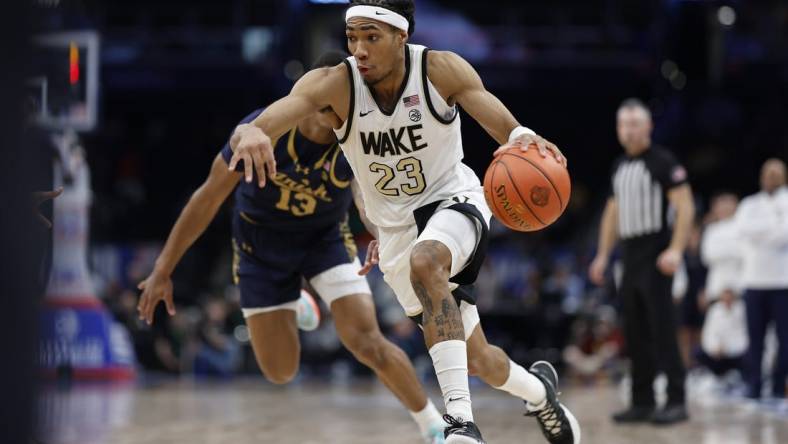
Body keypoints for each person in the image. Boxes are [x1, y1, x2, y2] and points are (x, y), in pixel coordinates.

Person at [228, 2, 581, 443]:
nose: (358, 49)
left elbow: (494, 116)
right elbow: (284, 109)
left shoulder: (439, 69)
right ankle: (540, 393)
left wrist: (522, 137)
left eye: (371, 37)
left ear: (401, 36)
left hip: (452, 201)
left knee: (427, 260)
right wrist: (253, 130)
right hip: (396, 232)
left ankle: (461, 427)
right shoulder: (336, 85)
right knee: (479, 359)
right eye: (352, 37)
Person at [136, 51, 448, 444]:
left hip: (325, 240)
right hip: (260, 246)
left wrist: (384, 235)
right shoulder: (262, 130)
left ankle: (436, 428)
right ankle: (297, 298)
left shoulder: (357, 136)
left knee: (367, 341)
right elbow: (208, 198)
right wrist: (163, 270)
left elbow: (364, 199)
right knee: (281, 371)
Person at [589, 98, 695, 425]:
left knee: (663, 329)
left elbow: (686, 206)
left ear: (648, 127)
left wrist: (676, 249)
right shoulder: (619, 166)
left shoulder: (663, 161)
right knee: (634, 332)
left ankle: (676, 399)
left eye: (636, 124)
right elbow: (612, 213)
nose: (630, 130)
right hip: (629, 255)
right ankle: (642, 400)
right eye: (624, 124)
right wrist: (603, 255)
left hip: (656, 250)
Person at [734, 158, 788, 401]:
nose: (771, 177)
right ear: (761, 176)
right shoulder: (749, 204)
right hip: (754, 281)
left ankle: (778, 386)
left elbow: (784, 235)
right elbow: (743, 230)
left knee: (785, 339)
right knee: (755, 339)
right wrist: (773, 229)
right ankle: (753, 386)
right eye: (768, 173)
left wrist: (763, 233)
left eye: (776, 173)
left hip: (782, 282)